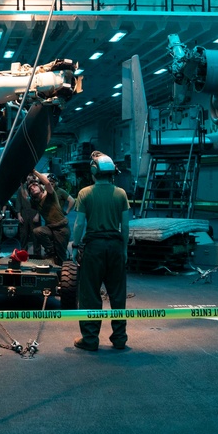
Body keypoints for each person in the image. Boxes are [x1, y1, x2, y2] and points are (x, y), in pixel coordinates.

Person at [70, 151, 131, 352]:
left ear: (94, 171)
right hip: (114, 246)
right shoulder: (121, 193)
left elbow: (79, 224)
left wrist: (75, 246)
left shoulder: (85, 193)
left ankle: (90, 339)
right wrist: (123, 249)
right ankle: (120, 338)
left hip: (94, 248)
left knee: (89, 294)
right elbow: (125, 225)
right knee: (118, 294)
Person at [27, 170, 71, 265]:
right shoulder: (35, 202)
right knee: (37, 231)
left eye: (35, 186)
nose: (32, 188)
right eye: (31, 189)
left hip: (61, 229)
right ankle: (51, 250)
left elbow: (47, 183)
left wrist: (34, 171)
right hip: (50, 228)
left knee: (61, 258)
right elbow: (25, 195)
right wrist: (23, 182)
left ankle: (62, 275)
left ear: (41, 187)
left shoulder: (50, 195)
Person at [14, 182, 40, 254]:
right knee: (23, 235)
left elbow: (40, 202)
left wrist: (38, 214)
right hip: (24, 213)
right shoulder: (21, 189)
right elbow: (18, 202)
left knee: (36, 235)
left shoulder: (36, 188)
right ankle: (23, 254)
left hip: (34, 213)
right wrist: (19, 215)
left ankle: (37, 255)